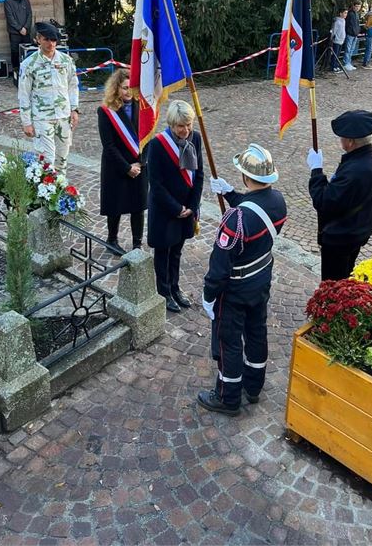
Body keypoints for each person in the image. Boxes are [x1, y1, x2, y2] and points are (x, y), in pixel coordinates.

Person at [198, 144, 287, 415]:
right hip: (261, 280)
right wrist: (231, 194)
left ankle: (228, 397)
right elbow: (255, 213)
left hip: (235, 289)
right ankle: (253, 386)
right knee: (257, 332)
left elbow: (219, 266)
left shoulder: (234, 219)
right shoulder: (279, 201)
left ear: (247, 177)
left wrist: (209, 295)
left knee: (230, 341)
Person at [307, 110, 372, 281]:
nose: (341, 140)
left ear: (350, 142)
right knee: (346, 275)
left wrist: (316, 171)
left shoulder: (354, 170)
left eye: (342, 137)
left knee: (333, 284)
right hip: (359, 233)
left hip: (340, 239)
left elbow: (323, 200)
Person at [147, 99, 204, 312]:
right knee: (164, 252)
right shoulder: (157, 145)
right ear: (171, 124)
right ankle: (163, 291)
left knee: (177, 250)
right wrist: (176, 208)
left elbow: (199, 175)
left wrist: (192, 204)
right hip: (165, 209)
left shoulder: (195, 139)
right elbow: (156, 184)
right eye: (181, 126)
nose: (186, 130)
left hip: (186, 207)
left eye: (189, 125)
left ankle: (175, 287)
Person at [97, 68, 146, 256]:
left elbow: (148, 137)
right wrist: (127, 168)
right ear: (116, 88)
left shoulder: (142, 107)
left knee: (138, 206)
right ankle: (112, 239)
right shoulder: (106, 111)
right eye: (124, 88)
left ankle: (137, 244)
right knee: (115, 205)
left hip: (138, 164)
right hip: (117, 166)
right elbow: (108, 146)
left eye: (131, 88)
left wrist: (140, 164)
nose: (128, 92)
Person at [18, 22, 79, 172]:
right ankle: (46, 190)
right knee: (47, 159)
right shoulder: (29, 64)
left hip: (64, 116)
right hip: (42, 117)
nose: (50, 43)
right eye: (46, 39)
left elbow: (72, 85)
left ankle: (60, 191)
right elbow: (24, 93)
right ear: (38, 39)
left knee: (62, 158)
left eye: (53, 40)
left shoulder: (66, 60)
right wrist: (26, 122)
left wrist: (75, 109)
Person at [3, 0, 33, 86]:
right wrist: (20, 28)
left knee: (28, 52)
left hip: (26, 32)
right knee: (15, 53)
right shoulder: (7, 1)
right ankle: (16, 73)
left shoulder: (26, 1)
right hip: (15, 33)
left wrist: (26, 27)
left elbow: (30, 15)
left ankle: (29, 73)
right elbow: (10, 18)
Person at [343, 1, 361, 71]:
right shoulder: (350, 14)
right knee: (348, 49)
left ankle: (349, 62)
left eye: (359, 6)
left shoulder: (356, 14)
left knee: (351, 49)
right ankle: (346, 63)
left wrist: (357, 31)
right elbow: (347, 24)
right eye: (356, 6)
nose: (358, 8)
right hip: (350, 33)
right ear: (353, 6)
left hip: (355, 34)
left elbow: (357, 24)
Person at [330, 7, 347, 73]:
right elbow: (334, 31)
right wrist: (332, 38)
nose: (346, 14)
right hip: (336, 40)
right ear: (340, 13)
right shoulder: (337, 21)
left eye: (346, 13)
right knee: (335, 54)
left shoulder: (344, 21)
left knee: (338, 54)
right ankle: (333, 66)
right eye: (345, 13)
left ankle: (336, 65)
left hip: (341, 40)